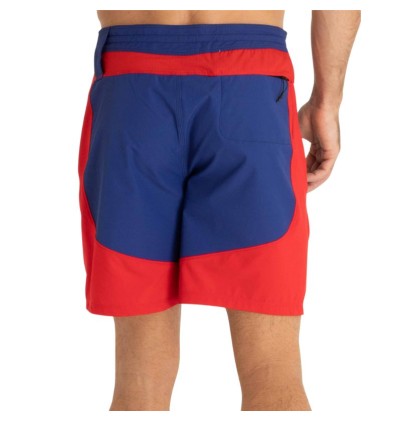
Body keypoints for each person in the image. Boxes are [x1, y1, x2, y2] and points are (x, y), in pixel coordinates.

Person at [78, 10, 361, 411]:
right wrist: (325, 104)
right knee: (272, 371)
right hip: (250, 84)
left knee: (139, 377)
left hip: (132, 89)